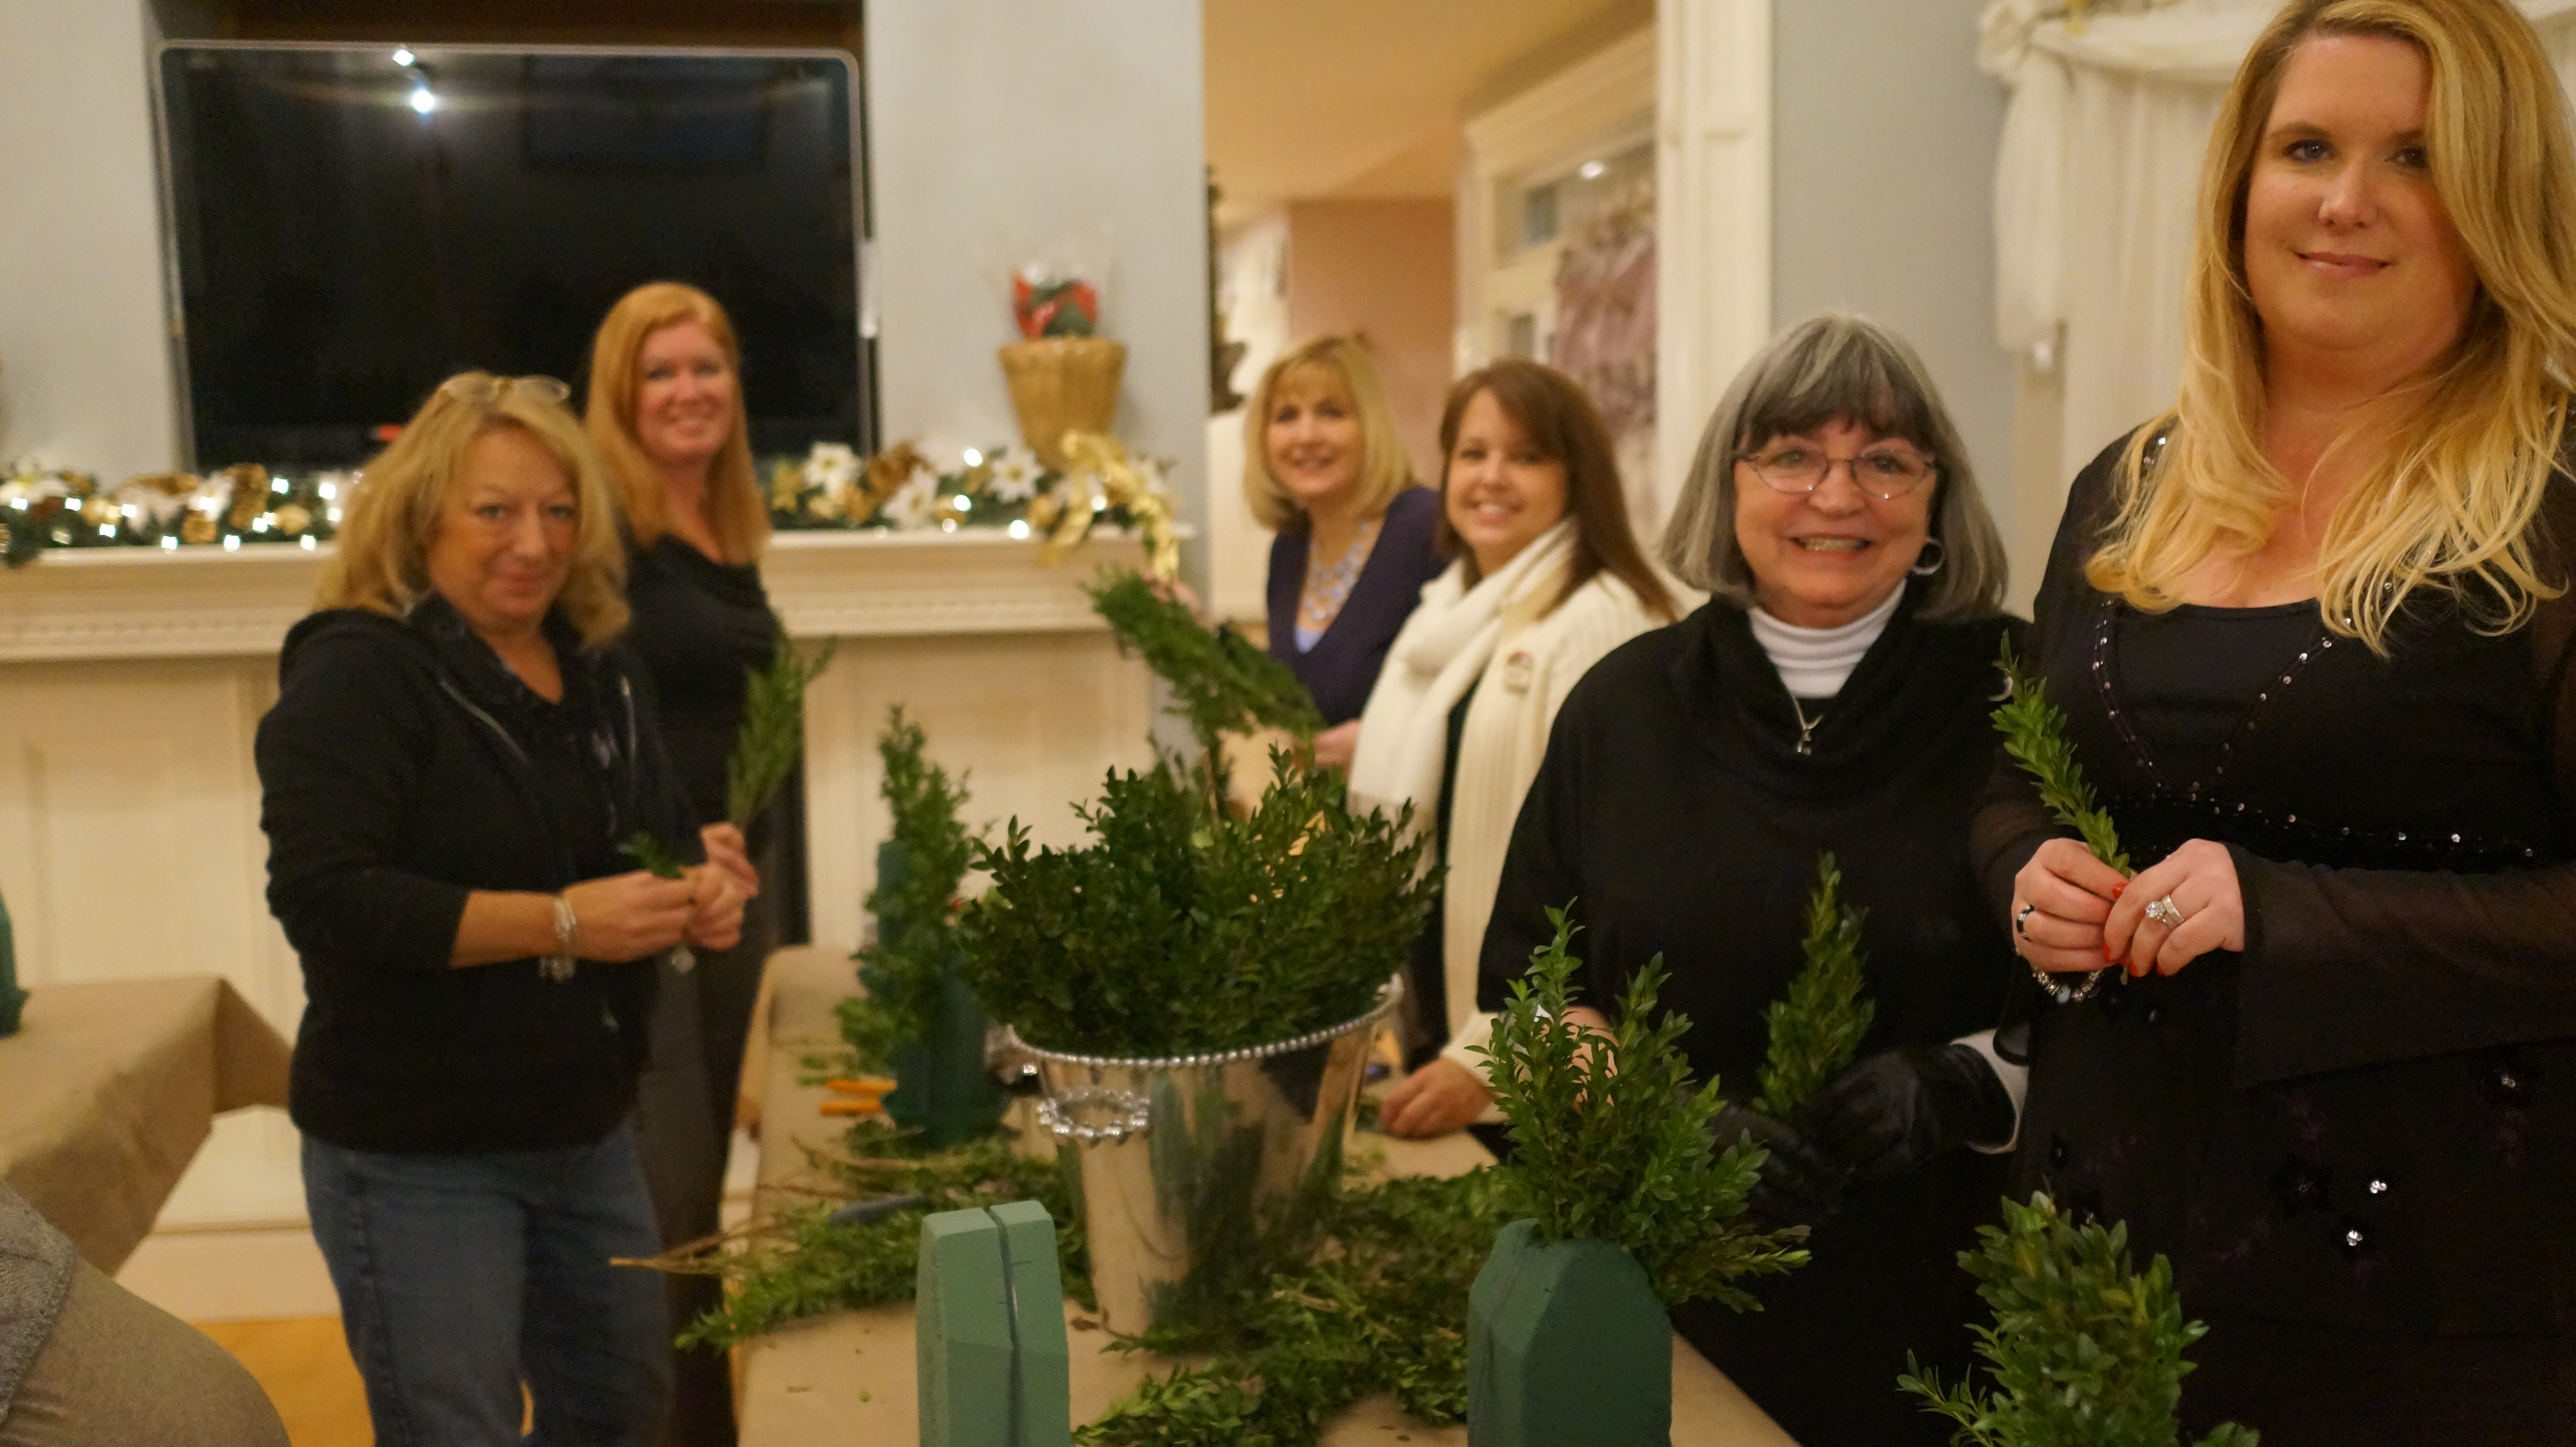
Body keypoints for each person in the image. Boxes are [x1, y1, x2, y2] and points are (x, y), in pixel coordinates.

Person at [1983, 2, 2576, 1439]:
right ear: (2239, 182)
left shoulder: (2554, 512)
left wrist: (2286, 913)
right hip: (2095, 1250)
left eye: (2416, 158)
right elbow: (2016, 774)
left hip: (2434, 1297)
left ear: (2500, 197)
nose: (2343, 201)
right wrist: (2022, 868)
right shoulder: (2126, 485)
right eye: (2306, 147)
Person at [1475, 315, 2024, 1445]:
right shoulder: (1623, 709)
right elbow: (1530, 990)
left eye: (1884, 460)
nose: (1837, 495)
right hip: (1663, 1302)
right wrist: (1647, 1115)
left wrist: (1976, 1081)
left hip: (1961, 1316)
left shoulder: (2024, 694)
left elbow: (2130, 989)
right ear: (1728, 484)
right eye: (1790, 456)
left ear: (1936, 499)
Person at [256, 373, 744, 1447]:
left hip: (586, 1128)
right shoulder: (357, 674)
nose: (534, 542)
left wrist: (697, 888)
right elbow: (329, 899)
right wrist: (561, 922)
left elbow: (656, 835)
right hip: (417, 1152)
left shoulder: (602, 668)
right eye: (495, 511)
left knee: (623, 1411)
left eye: (559, 511)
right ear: (420, 517)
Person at [1350, 359, 1683, 1125]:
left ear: (1576, 477)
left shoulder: (1603, 618)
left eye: (1526, 456)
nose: (1491, 478)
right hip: (1444, 1021)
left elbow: (1610, 873)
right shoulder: (1445, 611)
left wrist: (1493, 1057)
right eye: (1473, 453)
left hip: (1539, 1056)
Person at [585, 282, 789, 1447]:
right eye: (658, 373)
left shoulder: (724, 529)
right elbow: (586, 718)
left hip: (730, 903)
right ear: (619, 396)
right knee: (665, 1204)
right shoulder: (606, 534)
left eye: (705, 367)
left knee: (702, 1197)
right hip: (656, 901)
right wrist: (665, 838)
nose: (687, 392)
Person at [1249, 336, 1447, 766]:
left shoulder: (1428, 529)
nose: (1306, 436)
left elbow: (1477, 692)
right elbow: (1294, 682)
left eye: (1331, 413)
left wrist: (1384, 742)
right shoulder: (1290, 547)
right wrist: (1200, 628)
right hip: (1336, 807)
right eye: (1287, 416)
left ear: (1370, 426)